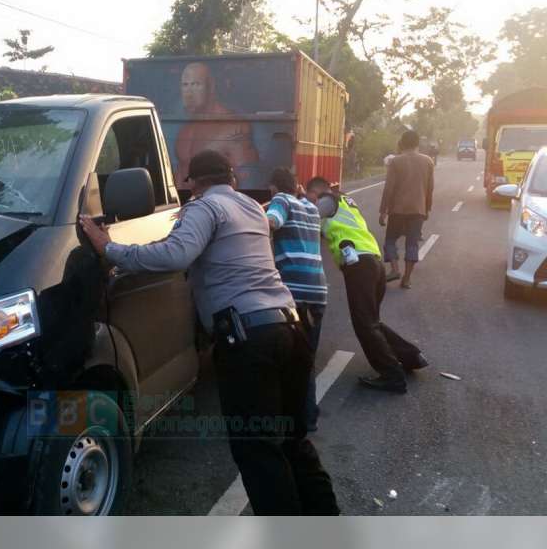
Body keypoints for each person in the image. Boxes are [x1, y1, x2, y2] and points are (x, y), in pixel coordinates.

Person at [80, 150, 339, 515]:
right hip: (290, 329)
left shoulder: (203, 208)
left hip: (250, 342)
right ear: (232, 179)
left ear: (195, 184)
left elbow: (175, 255)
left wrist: (110, 248)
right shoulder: (251, 207)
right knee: (292, 441)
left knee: (258, 450)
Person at [306, 176, 428, 394]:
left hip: (360, 266)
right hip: (373, 263)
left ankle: (392, 376)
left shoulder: (326, 200)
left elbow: (307, 217)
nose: (310, 202)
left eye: (310, 197)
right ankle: (411, 356)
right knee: (371, 321)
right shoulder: (344, 202)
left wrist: (298, 203)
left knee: (364, 324)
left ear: (316, 192)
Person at [266, 167, 327, 432]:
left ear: (273, 188)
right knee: (307, 356)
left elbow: (271, 222)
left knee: (285, 357)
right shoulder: (311, 208)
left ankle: (286, 419)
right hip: (317, 291)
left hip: (293, 291)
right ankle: (308, 417)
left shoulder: (281, 200)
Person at [174, 62, 259, 189]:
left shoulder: (234, 127)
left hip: (219, 205)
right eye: (185, 85)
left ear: (211, 87)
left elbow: (246, 179)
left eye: (196, 84)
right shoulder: (185, 131)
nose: (189, 93)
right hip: (188, 204)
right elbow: (181, 175)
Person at [380, 130, 435, 289]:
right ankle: (407, 278)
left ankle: (395, 270)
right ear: (418, 144)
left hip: (397, 210)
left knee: (390, 240)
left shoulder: (395, 162)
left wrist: (383, 211)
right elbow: (430, 189)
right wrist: (427, 209)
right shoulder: (428, 161)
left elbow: (388, 189)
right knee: (412, 244)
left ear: (402, 143)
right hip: (418, 210)